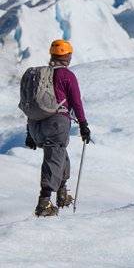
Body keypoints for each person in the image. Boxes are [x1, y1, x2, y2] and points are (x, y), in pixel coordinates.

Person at [23, 39, 90, 217]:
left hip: (35, 124)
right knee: (54, 158)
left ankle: (62, 194)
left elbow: (31, 103)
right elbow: (76, 101)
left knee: (60, 156)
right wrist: (83, 124)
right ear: (67, 56)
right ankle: (44, 203)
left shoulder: (40, 75)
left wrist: (29, 132)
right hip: (56, 123)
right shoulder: (67, 76)